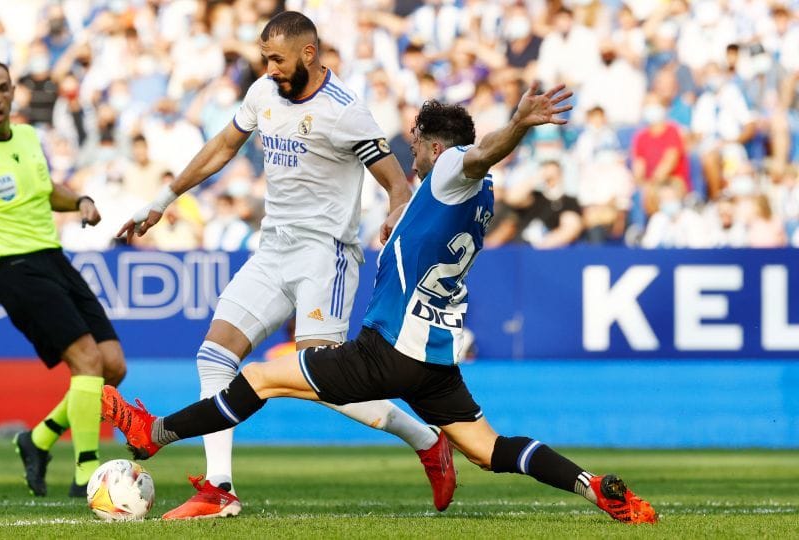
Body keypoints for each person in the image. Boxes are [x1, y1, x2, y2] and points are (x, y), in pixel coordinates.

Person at [102, 86, 659, 525]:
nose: (408, 153)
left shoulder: (451, 170)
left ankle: (155, 435)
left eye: (414, 143)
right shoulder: (478, 199)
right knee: (490, 450)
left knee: (259, 378)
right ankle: (596, 489)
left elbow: (482, 152)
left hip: (390, 348)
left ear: (436, 146)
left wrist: (515, 125)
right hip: (434, 361)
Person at [115, 11, 452, 520]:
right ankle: (218, 489)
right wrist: (163, 198)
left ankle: (426, 439)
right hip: (273, 249)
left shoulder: (345, 111)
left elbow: (396, 183)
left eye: (277, 59)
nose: (269, 68)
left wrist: (396, 211)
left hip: (326, 257)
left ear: (308, 55)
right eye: (265, 58)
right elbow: (225, 146)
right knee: (214, 356)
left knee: (325, 379)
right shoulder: (262, 94)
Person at [0, 59, 126, 498]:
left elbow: (47, 190)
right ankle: (87, 474)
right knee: (87, 362)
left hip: (54, 258)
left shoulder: (29, 136)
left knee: (112, 368)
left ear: (13, 92)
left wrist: (81, 202)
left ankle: (38, 439)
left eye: (2, 89)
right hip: (14, 268)